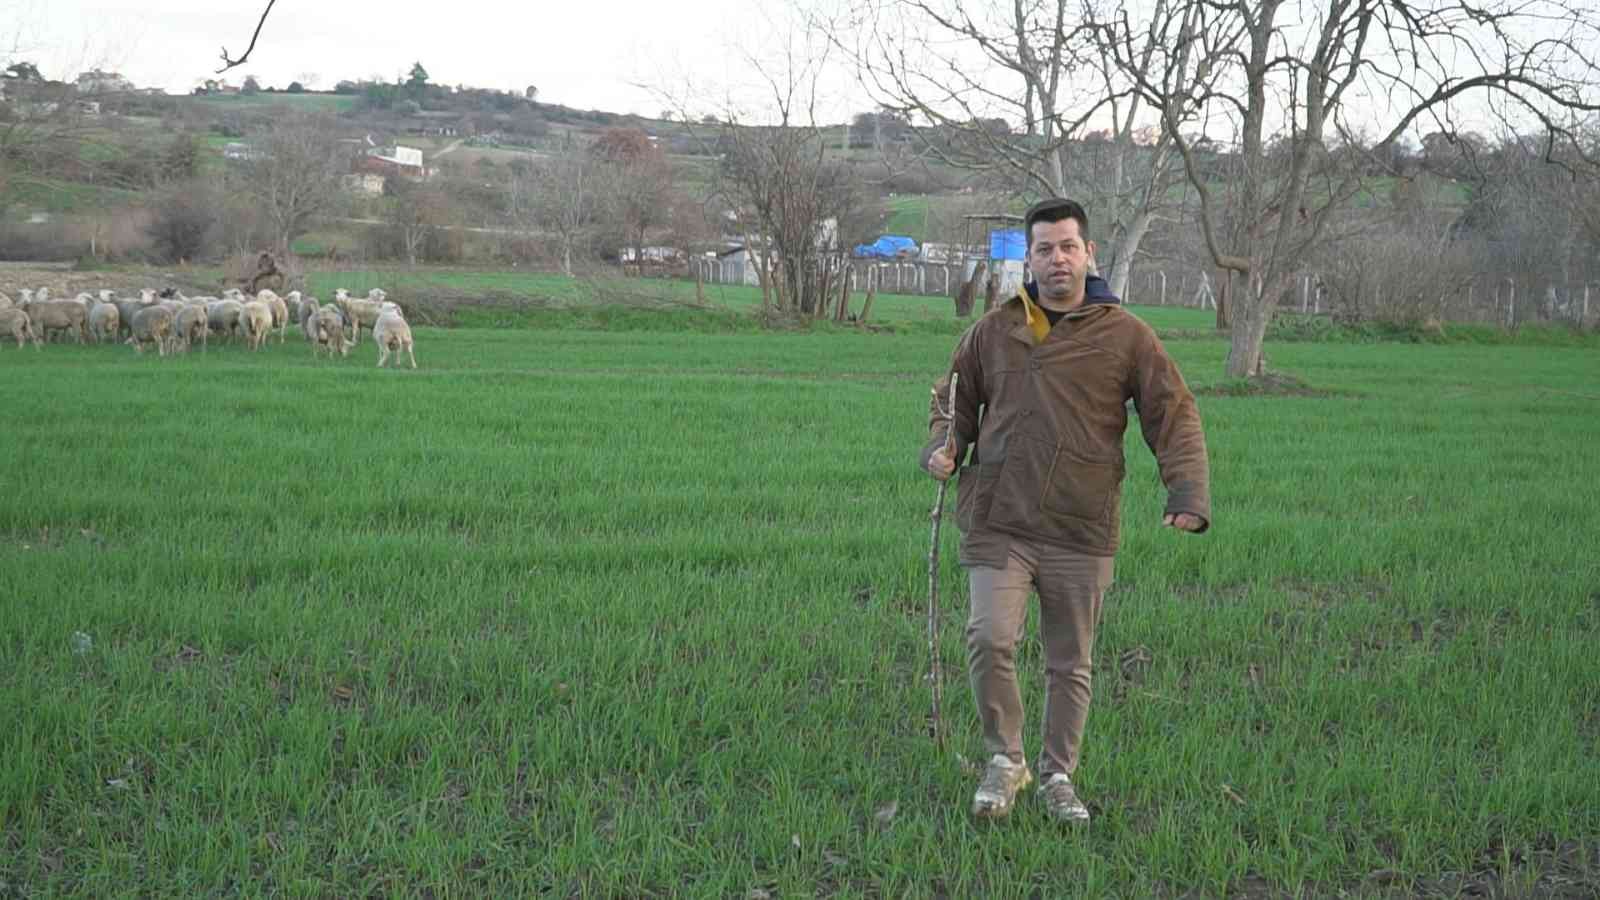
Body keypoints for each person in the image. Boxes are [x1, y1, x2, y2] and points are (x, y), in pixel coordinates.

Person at [920, 198, 1211, 823]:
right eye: (1045, 249)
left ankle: (1057, 774)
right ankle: (1006, 761)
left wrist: (1186, 491)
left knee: (1068, 660)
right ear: (1029, 258)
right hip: (1000, 515)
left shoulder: (1125, 334)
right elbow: (954, 400)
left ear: (1089, 254)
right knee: (988, 638)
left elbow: (1172, 412)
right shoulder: (995, 329)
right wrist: (944, 448)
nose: (1057, 259)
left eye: (1068, 247)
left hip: (1081, 522)